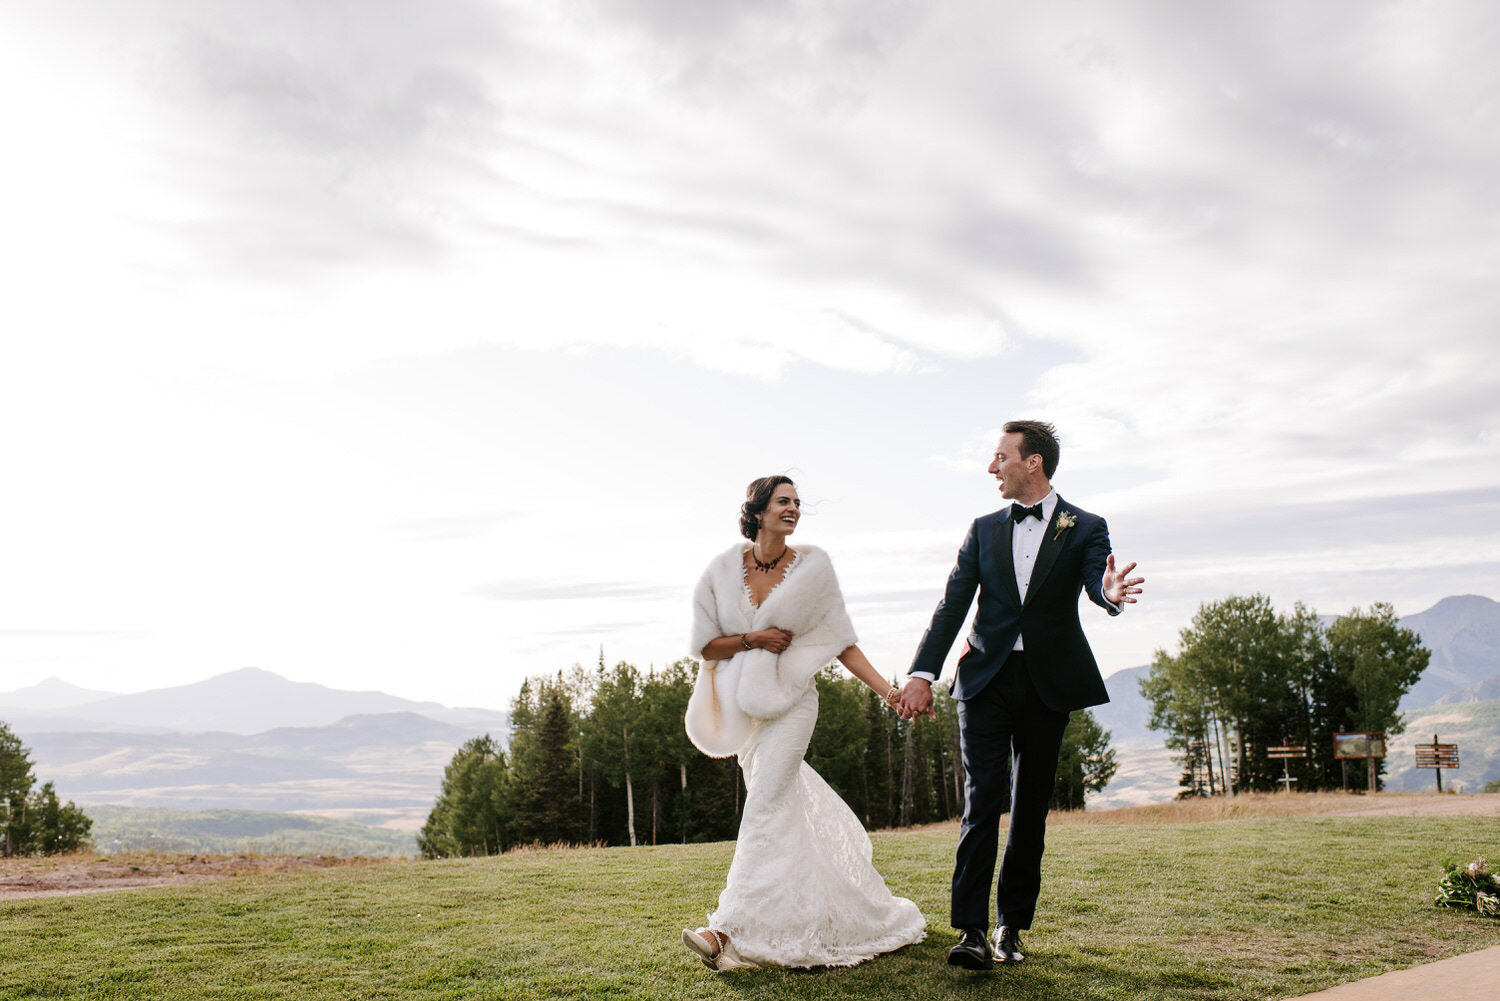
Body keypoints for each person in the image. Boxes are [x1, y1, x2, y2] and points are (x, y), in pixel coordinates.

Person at [896, 420, 1142, 971]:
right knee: (982, 800)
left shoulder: (1085, 525)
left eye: (1000, 456)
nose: (992, 468)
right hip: (985, 678)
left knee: (1030, 807)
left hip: (1049, 683)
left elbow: (1096, 583)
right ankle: (971, 932)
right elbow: (951, 605)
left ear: (1033, 462)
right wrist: (921, 672)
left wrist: (1109, 593)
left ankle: (1010, 927)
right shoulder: (982, 529)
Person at [680, 475, 926, 971]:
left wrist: (888, 691)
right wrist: (755, 638)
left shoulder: (814, 568)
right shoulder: (722, 570)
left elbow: (842, 642)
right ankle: (833, 913)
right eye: (782, 502)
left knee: (766, 804)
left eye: (796, 503)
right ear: (757, 511)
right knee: (780, 809)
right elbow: (706, 646)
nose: (793, 509)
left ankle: (725, 929)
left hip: (793, 706)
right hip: (744, 711)